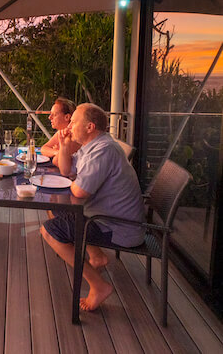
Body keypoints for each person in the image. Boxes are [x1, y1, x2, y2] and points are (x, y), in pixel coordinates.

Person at [40, 103, 145, 311]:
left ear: (89, 127)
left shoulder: (103, 150)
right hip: (108, 217)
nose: (69, 126)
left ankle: (99, 286)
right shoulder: (93, 145)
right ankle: (96, 256)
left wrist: (68, 179)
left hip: (119, 228)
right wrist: (65, 145)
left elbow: (79, 191)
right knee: (56, 207)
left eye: (73, 122)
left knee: (49, 231)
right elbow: (66, 169)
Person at [40, 97, 80, 167]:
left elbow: (56, 161)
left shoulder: (74, 136)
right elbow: (43, 148)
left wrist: (58, 154)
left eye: (54, 114)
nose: (49, 117)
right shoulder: (60, 132)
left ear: (67, 117)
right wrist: (57, 152)